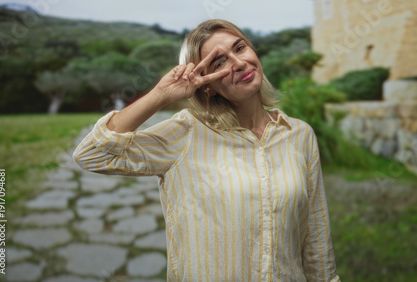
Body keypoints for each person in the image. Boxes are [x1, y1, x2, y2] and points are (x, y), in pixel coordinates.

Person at [73, 19, 340, 282]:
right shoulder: (186, 132)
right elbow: (93, 154)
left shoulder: (299, 134)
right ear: (207, 85)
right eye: (219, 62)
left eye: (240, 48)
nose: (238, 63)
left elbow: (315, 231)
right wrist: (161, 95)